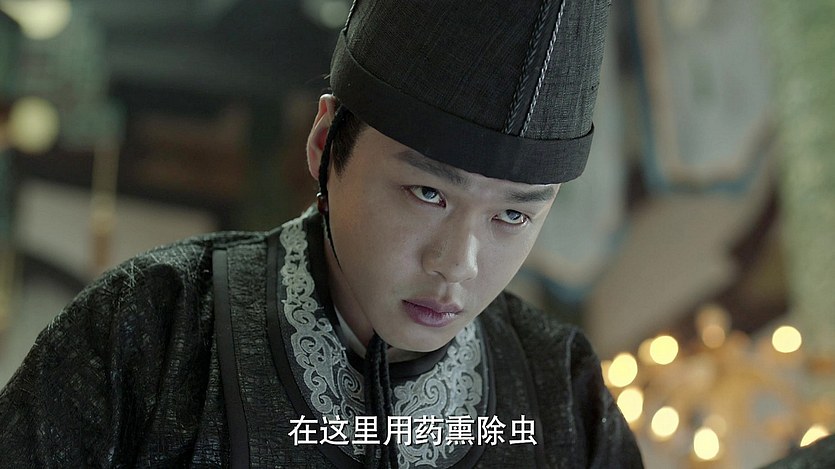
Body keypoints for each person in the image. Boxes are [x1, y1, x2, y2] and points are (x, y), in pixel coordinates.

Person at [0, 0, 643, 467]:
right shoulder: (150, 327)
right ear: (324, 140)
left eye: (513, 215)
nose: (457, 264)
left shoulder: (564, 397)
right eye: (428, 193)